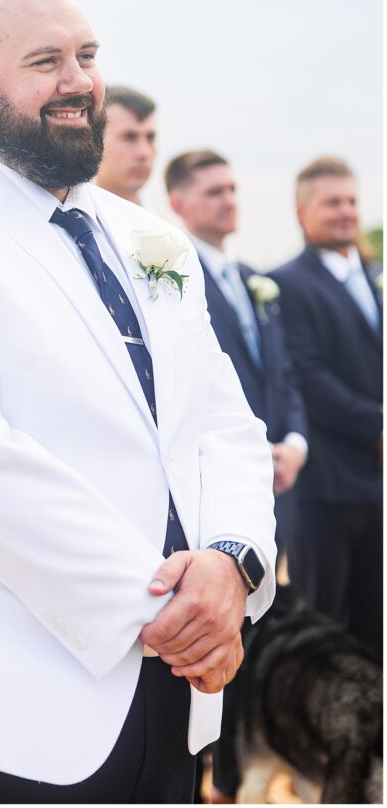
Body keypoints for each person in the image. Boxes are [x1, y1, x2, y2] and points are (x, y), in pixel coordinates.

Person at [0, 0, 276, 804]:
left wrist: (232, 566)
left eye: (85, 55)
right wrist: (164, 612)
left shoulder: (152, 239)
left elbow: (221, 423)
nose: (78, 80)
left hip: (171, 697)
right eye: (44, 61)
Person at [165, 149, 309, 803]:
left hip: (266, 492)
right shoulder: (165, 274)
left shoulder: (253, 280)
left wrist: (292, 442)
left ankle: (231, 772)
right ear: (178, 204)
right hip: (207, 500)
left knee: (253, 635)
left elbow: (281, 376)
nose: (228, 200)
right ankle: (207, 777)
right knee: (210, 641)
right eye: (213, 191)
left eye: (232, 189)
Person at [271, 156, 382, 661]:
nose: (346, 212)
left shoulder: (376, 275)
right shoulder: (287, 284)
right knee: (325, 631)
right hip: (327, 488)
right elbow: (309, 376)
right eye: (332, 202)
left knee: (376, 626)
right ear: (302, 212)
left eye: (352, 201)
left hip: (378, 486)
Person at [94, 85, 157, 204]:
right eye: (129, 138)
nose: (144, 153)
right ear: (94, 141)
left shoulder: (168, 220)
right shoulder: (66, 218)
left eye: (150, 138)